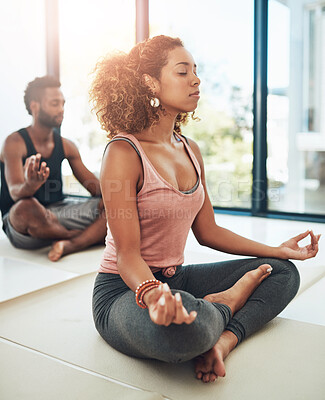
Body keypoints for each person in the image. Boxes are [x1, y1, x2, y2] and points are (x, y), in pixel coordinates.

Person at [90, 35, 320, 383]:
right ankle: (226, 303)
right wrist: (153, 295)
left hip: (177, 279)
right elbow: (126, 255)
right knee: (186, 335)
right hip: (126, 290)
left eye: (196, 71)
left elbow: (208, 231)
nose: (196, 80)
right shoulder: (123, 153)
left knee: (283, 272)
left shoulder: (189, 149)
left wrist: (277, 250)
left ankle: (225, 339)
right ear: (150, 82)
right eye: (183, 72)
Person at [0, 76, 107, 261]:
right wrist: (30, 185)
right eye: (54, 104)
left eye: (63, 104)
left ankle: (70, 245)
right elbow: (16, 193)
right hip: (24, 223)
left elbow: (96, 189)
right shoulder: (14, 143)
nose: (61, 110)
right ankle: (77, 237)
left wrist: (115, 196)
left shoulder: (67, 146)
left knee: (117, 207)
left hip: (58, 213)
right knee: (26, 206)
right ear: (35, 106)